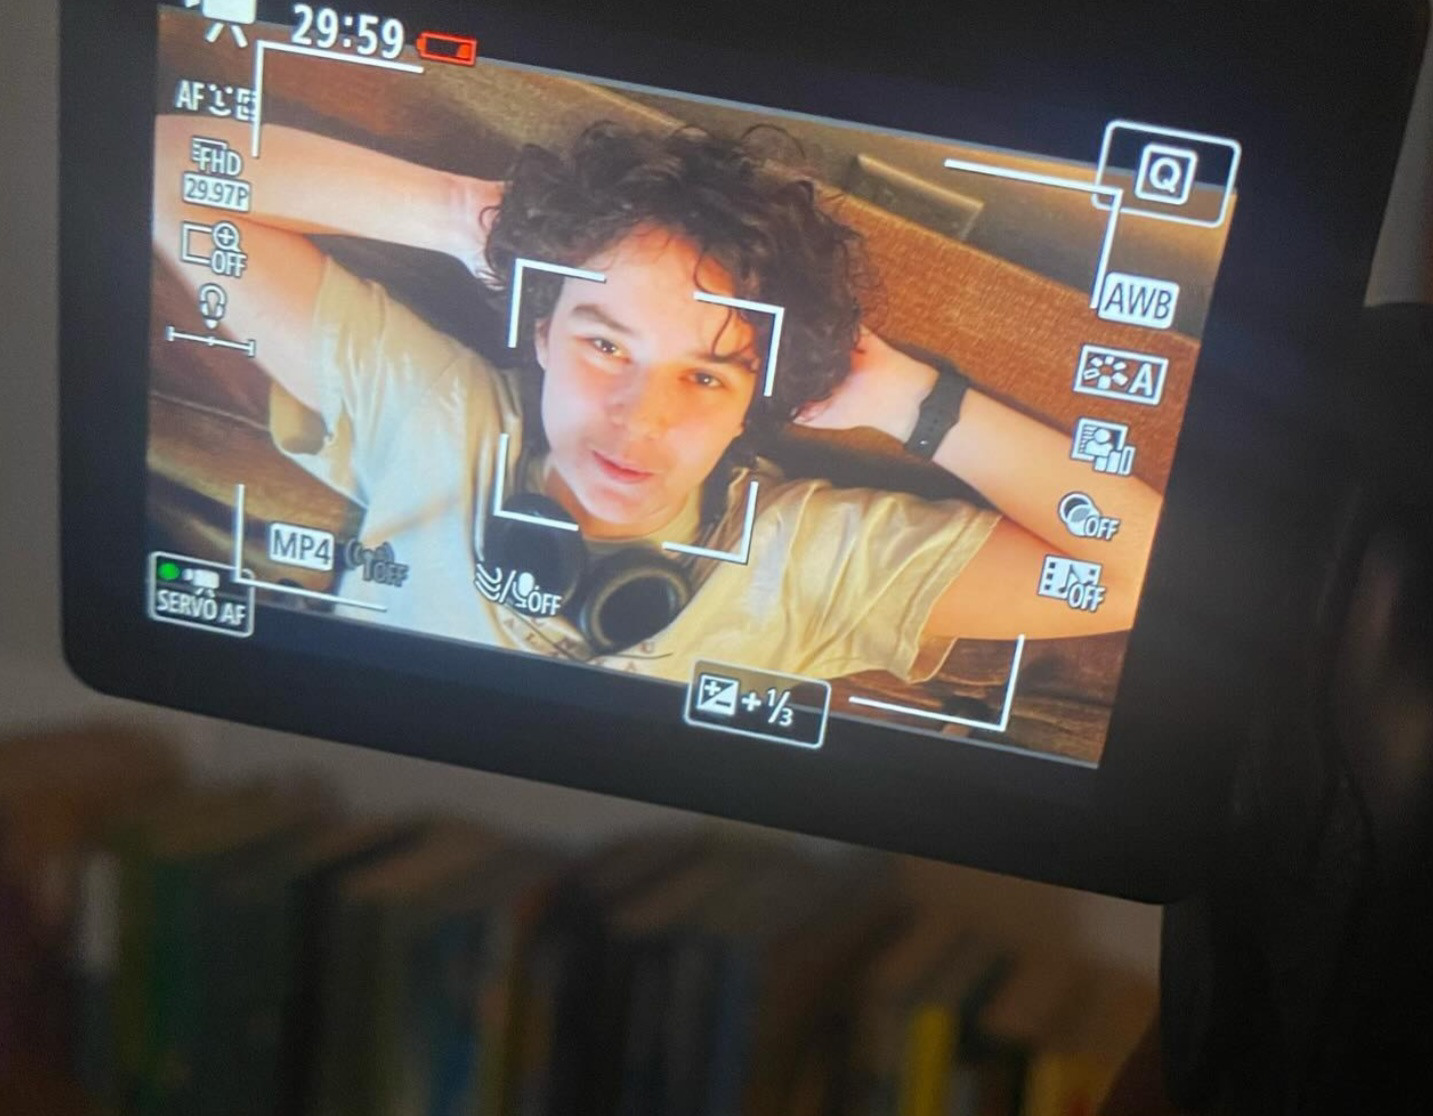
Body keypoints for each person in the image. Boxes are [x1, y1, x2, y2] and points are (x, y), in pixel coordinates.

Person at [152, 113, 1162, 684]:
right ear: (538, 330)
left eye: (706, 374)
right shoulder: (433, 412)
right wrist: (480, 221)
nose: (640, 419)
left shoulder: (806, 561)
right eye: (603, 344)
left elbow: (1135, 575)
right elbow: (165, 172)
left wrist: (909, 402)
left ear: (755, 402)